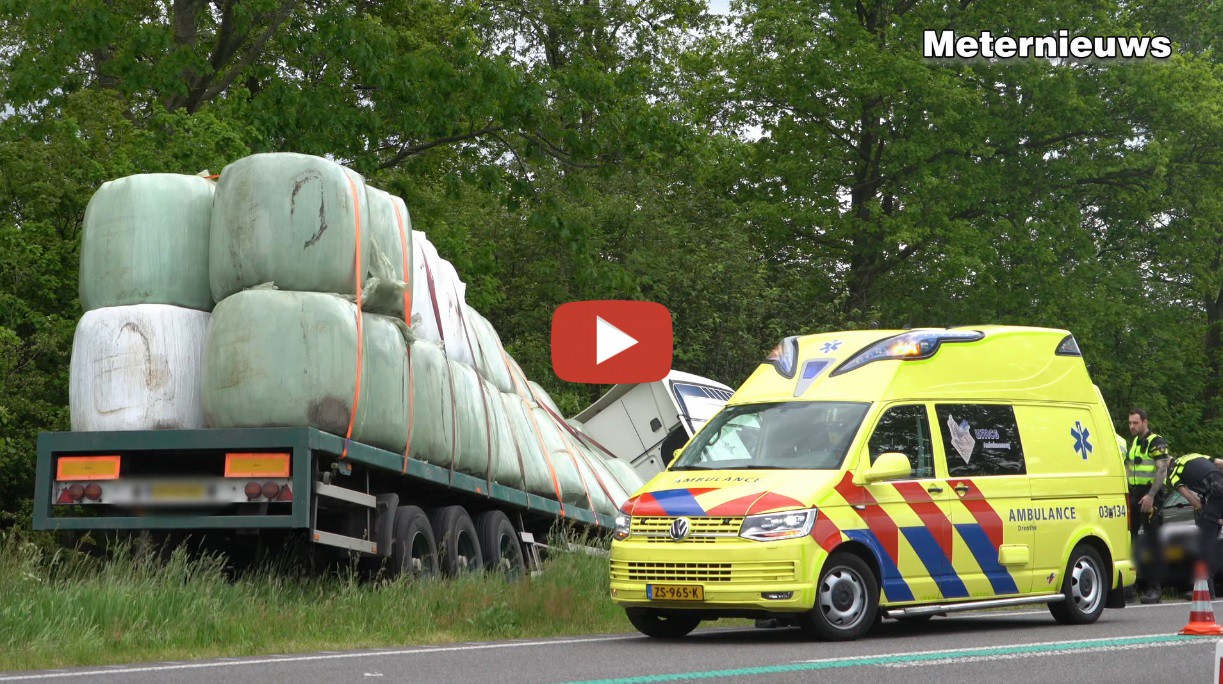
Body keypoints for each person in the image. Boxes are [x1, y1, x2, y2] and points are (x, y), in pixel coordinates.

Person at [1127, 409, 1171, 604]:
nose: (1132, 427)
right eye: (1130, 423)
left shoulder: (1156, 441)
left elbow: (1162, 470)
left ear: (1145, 422)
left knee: (1153, 543)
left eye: (1135, 423)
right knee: (1132, 540)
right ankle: (1131, 587)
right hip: (1135, 494)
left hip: (1150, 495)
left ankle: (1155, 588)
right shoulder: (1136, 442)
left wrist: (1151, 495)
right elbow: (1129, 468)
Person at [1165, 453, 1223, 599]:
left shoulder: (1172, 472)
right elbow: (1219, 463)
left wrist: (1201, 510)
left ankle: (1205, 590)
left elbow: (1189, 496)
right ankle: (1208, 588)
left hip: (1215, 492)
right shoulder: (1193, 455)